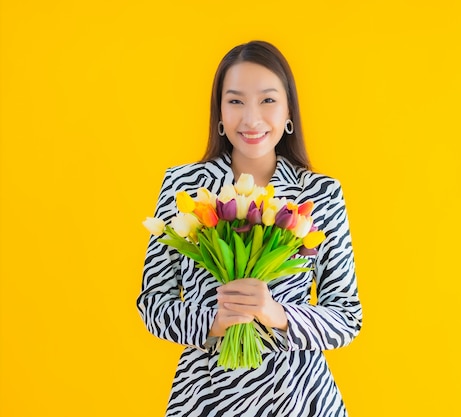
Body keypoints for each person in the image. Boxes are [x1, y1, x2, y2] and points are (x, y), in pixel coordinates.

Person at [137, 40, 362, 417]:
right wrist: (213, 322)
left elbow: (346, 316)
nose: (252, 119)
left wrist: (277, 314)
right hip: (204, 398)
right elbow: (153, 304)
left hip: (301, 398)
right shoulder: (184, 187)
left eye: (268, 100)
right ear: (220, 113)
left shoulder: (319, 193)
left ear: (289, 110)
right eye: (236, 101)